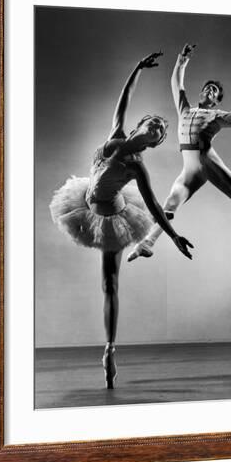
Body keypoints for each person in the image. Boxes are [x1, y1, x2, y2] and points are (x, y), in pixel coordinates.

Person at [50, 52, 193, 389]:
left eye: (160, 132)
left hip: (112, 217)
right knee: (107, 283)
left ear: (154, 144)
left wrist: (172, 237)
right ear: (141, 124)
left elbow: (155, 205)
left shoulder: (135, 167)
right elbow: (122, 101)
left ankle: (110, 348)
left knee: (109, 284)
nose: (158, 128)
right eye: (155, 123)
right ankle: (109, 347)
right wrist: (137, 69)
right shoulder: (114, 135)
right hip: (84, 204)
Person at [128, 43, 231, 262]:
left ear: (216, 101)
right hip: (189, 168)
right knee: (170, 204)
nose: (209, 90)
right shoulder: (185, 109)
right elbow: (176, 84)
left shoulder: (216, 116)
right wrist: (182, 60)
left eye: (214, 91)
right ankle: (147, 244)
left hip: (208, 161)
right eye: (207, 87)